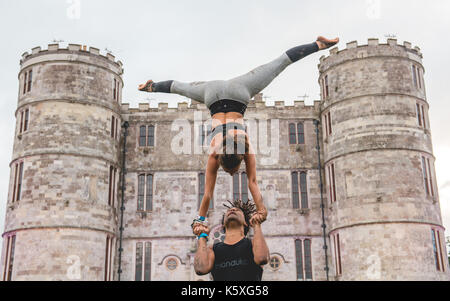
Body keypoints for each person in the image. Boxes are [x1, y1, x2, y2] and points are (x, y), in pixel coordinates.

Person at [138, 36, 340, 231]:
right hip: (212, 94)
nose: (233, 174)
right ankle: (151, 86)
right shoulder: (214, 154)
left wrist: (262, 209)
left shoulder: (246, 147)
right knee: (180, 87)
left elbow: (251, 183)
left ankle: (318, 44)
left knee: (279, 63)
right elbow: (208, 194)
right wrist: (199, 219)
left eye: (232, 172)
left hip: (239, 92)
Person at [193, 200, 269, 281]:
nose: (232, 210)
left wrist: (256, 224)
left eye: (237, 210)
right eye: (229, 210)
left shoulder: (253, 244)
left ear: (246, 223)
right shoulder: (212, 250)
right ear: (223, 224)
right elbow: (200, 269)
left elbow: (262, 258)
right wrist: (201, 236)